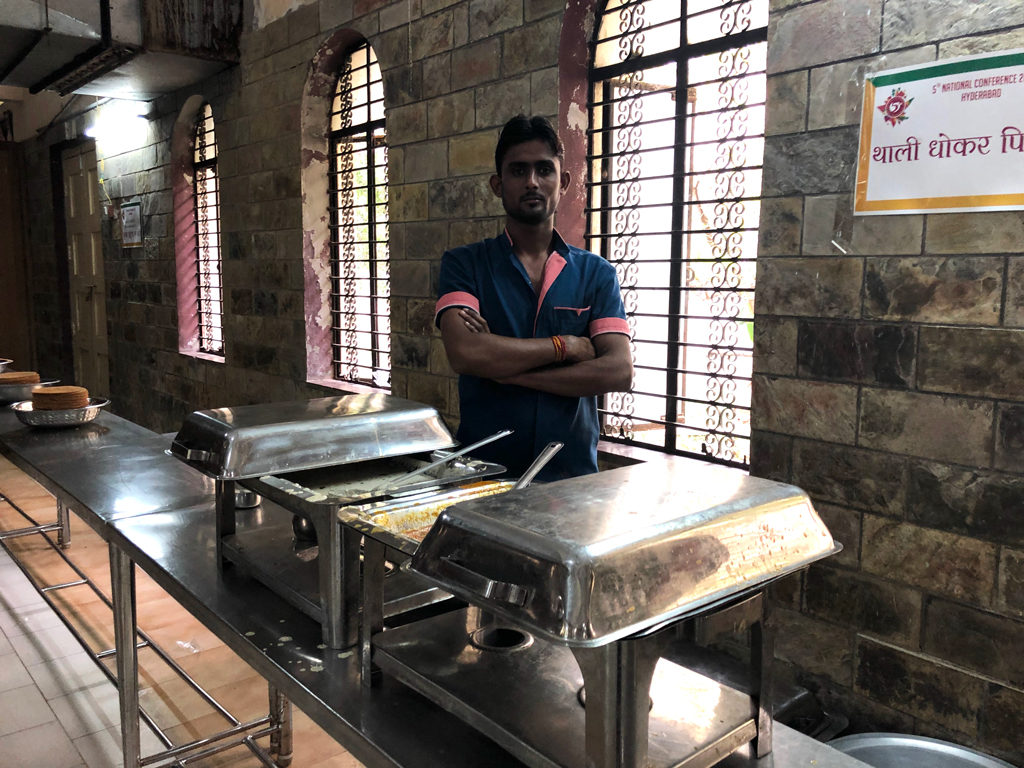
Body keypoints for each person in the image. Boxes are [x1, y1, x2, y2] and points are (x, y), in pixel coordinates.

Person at [434, 114, 633, 481]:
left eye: (544, 170)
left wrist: (506, 372)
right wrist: (567, 346)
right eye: (518, 171)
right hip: (485, 474)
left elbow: (618, 371)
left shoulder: (596, 274)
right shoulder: (465, 266)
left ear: (564, 182)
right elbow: (466, 353)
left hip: (571, 477)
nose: (532, 182)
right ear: (497, 184)